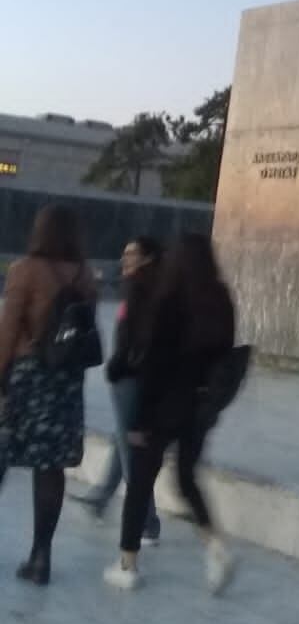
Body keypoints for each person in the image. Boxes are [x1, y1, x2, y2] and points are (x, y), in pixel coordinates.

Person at [103, 232, 236, 593]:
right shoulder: (220, 298)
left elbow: (154, 366)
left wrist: (139, 421)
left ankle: (128, 564)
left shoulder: (169, 301)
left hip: (163, 407)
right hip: (199, 408)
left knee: (140, 483)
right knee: (186, 479)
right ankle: (215, 547)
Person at [0, 203, 97, 584]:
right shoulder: (85, 276)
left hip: (27, 379)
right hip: (66, 383)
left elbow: (8, 333)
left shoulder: (25, 271)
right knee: (51, 467)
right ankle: (41, 557)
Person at [75, 235, 163, 541]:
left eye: (132, 254)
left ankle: (147, 520)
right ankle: (100, 498)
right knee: (122, 440)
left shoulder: (139, 287)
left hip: (129, 377)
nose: (125, 259)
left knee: (130, 450)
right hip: (141, 376)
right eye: (124, 253)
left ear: (148, 258)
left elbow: (137, 339)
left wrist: (116, 367)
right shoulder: (153, 287)